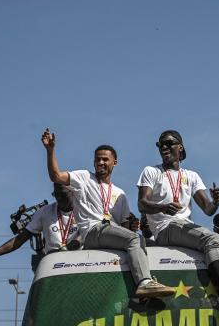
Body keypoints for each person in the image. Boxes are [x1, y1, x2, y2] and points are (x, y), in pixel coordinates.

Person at [137, 130, 219, 316]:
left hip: (182, 225)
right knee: (212, 239)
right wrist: (162, 207)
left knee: (211, 241)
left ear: (180, 147)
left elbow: (208, 210)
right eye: (160, 144)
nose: (164, 147)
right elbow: (142, 204)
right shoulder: (151, 171)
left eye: (169, 143)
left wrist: (216, 202)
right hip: (165, 227)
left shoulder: (191, 175)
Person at [41, 128, 175, 299]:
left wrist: (132, 226)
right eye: (98, 160)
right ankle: (145, 283)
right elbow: (56, 176)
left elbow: (125, 227)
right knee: (135, 240)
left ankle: (141, 295)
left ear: (115, 163)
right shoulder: (84, 177)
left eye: (105, 159)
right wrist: (50, 150)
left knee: (147, 243)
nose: (101, 162)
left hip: (109, 232)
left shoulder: (120, 193)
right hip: (93, 231)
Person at [0, 183, 77, 273]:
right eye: (55, 195)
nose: (58, 199)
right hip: (53, 267)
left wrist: (72, 246)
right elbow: (19, 239)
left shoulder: (84, 209)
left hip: (78, 265)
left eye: (62, 194)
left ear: (73, 191)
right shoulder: (44, 212)